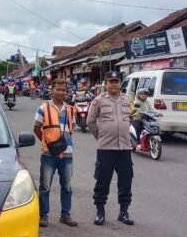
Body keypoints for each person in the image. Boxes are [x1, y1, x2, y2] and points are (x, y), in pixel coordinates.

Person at [86, 71, 134, 226]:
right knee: (102, 181)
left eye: (116, 81)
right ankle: (100, 211)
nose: (114, 84)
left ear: (120, 84)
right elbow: (90, 122)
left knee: (126, 181)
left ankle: (123, 212)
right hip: (106, 149)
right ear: (105, 84)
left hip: (124, 148)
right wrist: (101, 137)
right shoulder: (98, 100)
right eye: (111, 81)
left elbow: (131, 118)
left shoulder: (127, 99)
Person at [33, 78, 78, 228]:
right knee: (45, 186)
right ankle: (43, 215)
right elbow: (36, 127)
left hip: (67, 153)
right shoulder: (43, 108)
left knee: (67, 186)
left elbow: (71, 129)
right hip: (48, 154)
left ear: (66, 92)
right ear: (52, 90)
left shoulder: (70, 109)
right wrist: (46, 143)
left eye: (63, 90)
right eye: (58, 89)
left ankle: (65, 215)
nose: (61, 92)